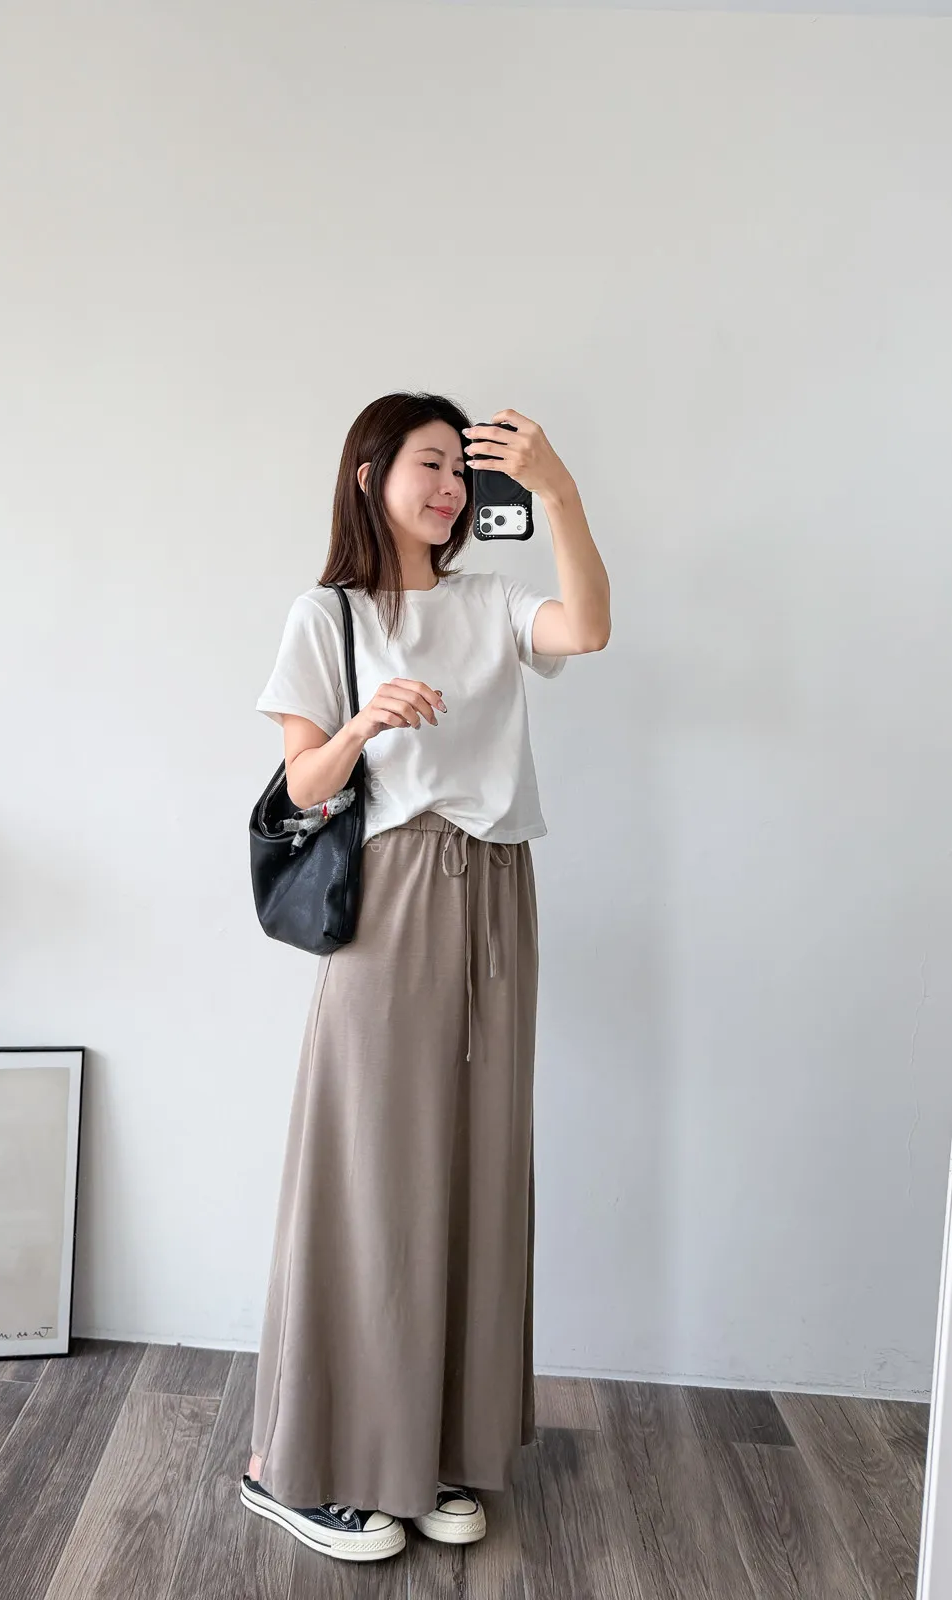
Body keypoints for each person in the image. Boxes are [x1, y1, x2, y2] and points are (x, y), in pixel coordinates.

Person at [240, 391, 610, 1563]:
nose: (450, 488)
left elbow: (590, 629)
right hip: (392, 897)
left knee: (477, 1164)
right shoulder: (327, 614)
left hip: (499, 889)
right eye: (429, 464)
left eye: (462, 470)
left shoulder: (490, 601)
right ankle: (296, 1465)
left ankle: (433, 1448)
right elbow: (301, 785)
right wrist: (364, 726)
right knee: (366, 1172)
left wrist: (557, 489)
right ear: (370, 474)